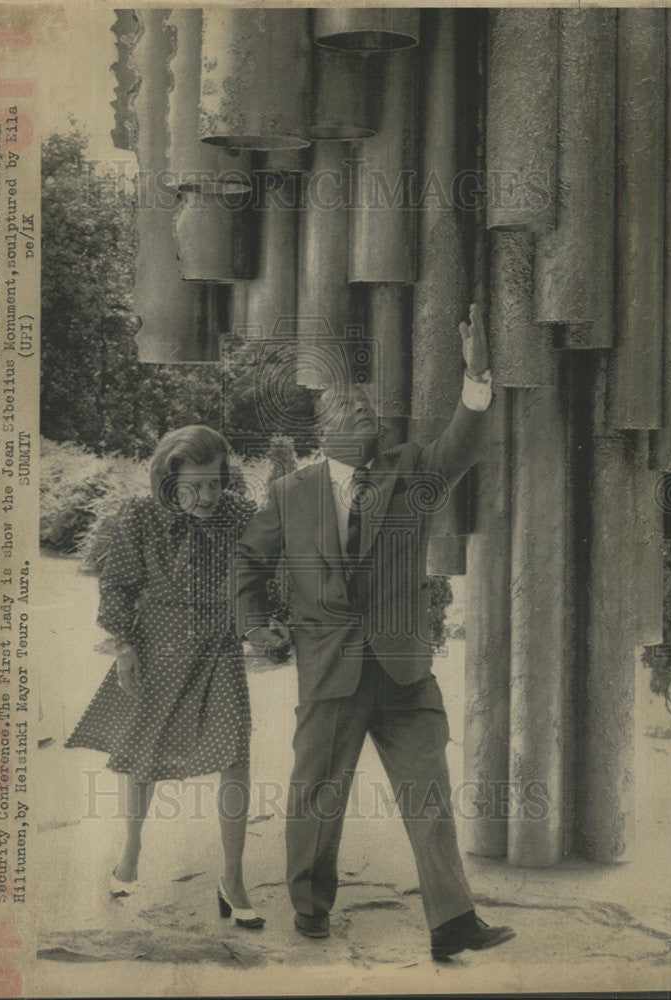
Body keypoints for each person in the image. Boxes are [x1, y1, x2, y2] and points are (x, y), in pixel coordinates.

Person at [234, 304, 515, 960]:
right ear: (323, 429)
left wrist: (476, 381)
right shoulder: (289, 493)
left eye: (367, 407)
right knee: (316, 795)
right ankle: (308, 905)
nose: (364, 412)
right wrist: (254, 624)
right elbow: (247, 560)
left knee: (429, 794)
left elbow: (461, 446)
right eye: (348, 408)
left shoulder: (410, 471)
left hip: (403, 668)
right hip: (329, 667)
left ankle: (452, 921)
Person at [65, 425, 265, 929]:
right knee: (142, 754)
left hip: (219, 647)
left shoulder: (241, 515)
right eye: (193, 486)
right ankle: (130, 850)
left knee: (235, 757)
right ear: (168, 478)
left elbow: (266, 574)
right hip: (157, 644)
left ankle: (233, 877)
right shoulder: (139, 516)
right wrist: (125, 648)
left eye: (215, 484)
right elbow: (118, 586)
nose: (206, 496)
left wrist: (269, 623)